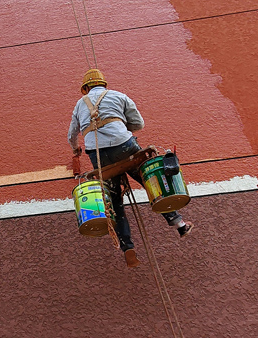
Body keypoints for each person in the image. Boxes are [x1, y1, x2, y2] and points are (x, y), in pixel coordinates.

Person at [68, 68, 193, 268]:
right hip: (124, 146)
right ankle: (179, 224)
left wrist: (76, 150)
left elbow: (72, 135)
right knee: (148, 179)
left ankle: (128, 248)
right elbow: (138, 124)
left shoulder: (79, 104)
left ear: (86, 88)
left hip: (98, 154)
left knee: (115, 200)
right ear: (104, 84)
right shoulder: (119, 96)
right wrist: (120, 128)